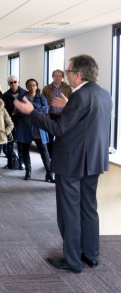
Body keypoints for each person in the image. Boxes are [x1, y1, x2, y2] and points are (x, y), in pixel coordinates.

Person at [14, 54, 112, 274]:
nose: (66, 76)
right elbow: (87, 123)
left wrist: (32, 113)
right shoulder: (104, 94)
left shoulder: (79, 97)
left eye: (68, 72)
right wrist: (69, 107)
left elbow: (58, 129)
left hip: (72, 162)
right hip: (93, 161)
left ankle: (73, 261)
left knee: (69, 212)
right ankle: (91, 255)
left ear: (78, 74)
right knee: (89, 208)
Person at [15, 79, 54, 182]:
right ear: (27, 87)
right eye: (30, 85)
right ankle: (28, 172)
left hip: (38, 127)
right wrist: (37, 110)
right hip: (25, 126)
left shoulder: (41, 98)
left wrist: (30, 110)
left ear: (36, 86)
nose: (32, 87)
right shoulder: (22, 97)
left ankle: (49, 174)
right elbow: (21, 111)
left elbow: (45, 111)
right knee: (25, 151)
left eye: (34, 85)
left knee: (44, 151)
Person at [41, 69, 72, 156]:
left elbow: (72, 102)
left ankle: (60, 157)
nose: (58, 78)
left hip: (63, 117)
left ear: (62, 77)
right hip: (51, 116)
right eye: (56, 76)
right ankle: (51, 159)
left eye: (59, 76)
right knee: (50, 138)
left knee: (62, 138)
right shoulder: (46, 89)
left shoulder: (67, 88)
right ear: (52, 77)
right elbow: (42, 102)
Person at [1, 75, 27, 169]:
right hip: (10, 122)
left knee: (21, 143)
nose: (13, 84)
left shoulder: (25, 93)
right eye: (11, 83)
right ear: (8, 84)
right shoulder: (5, 95)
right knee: (10, 142)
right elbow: (3, 110)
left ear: (18, 82)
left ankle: (21, 162)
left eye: (15, 82)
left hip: (21, 122)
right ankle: (10, 162)